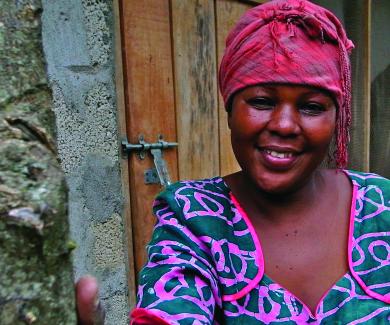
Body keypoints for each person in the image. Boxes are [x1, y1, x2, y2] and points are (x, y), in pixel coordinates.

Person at [78, 0, 389, 324]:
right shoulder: (193, 217)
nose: (284, 124)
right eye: (261, 101)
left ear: (337, 119)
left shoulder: (380, 207)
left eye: (311, 107)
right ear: (229, 108)